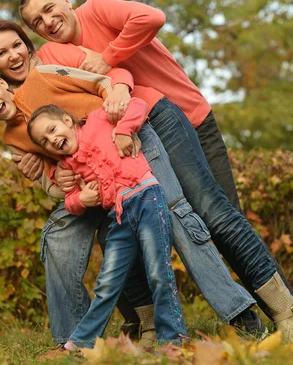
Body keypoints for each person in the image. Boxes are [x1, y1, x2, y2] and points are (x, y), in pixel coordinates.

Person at [18, 0, 293, 326]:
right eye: (37, 21)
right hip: (144, 134)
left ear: (66, 1)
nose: (48, 21)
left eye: (50, 9)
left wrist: (109, 56)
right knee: (142, 229)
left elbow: (151, 17)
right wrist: (44, 167)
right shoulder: (55, 52)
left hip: (186, 117)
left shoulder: (96, 9)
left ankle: (290, 313)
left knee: (221, 218)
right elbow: (52, 103)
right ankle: (147, 326)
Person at [0, 64, 293, 343]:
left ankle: (243, 315)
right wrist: (65, 188)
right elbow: (50, 182)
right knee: (117, 245)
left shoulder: (43, 79)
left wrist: (124, 126)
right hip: (110, 188)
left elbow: (106, 82)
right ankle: (146, 328)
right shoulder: (14, 140)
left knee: (180, 220)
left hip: (131, 146)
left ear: (0, 81)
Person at [27, 100, 187, 348]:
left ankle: (173, 339)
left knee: (157, 272)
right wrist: (82, 199)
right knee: (107, 281)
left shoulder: (98, 120)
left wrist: (124, 130)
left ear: (67, 121)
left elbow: (137, 104)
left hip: (147, 198)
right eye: (45, 142)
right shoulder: (67, 166)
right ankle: (83, 341)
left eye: (51, 130)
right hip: (119, 215)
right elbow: (70, 202)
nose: (51, 140)